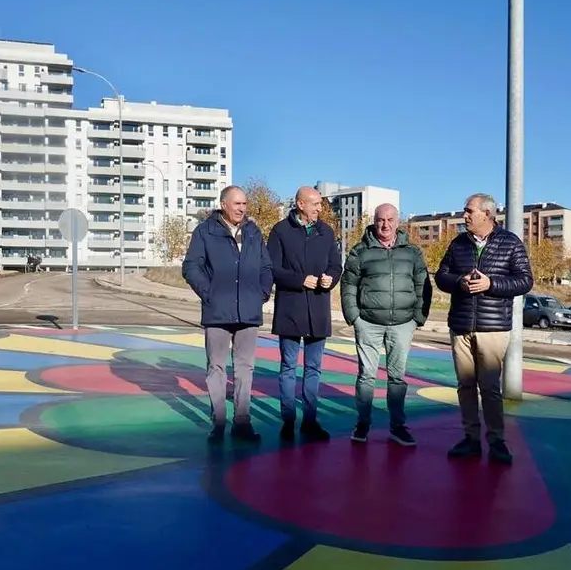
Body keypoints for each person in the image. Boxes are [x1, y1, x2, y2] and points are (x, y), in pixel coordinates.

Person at [434, 192, 534, 463]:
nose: (464, 215)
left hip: (493, 328)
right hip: (461, 324)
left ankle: (497, 441)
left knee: (489, 387)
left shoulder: (510, 243)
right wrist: (459, 283)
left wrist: (492, 284)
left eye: (469, 211)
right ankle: (471, 438)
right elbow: (442, 276)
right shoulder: (458, 244)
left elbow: (525, 281)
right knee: (465, 385)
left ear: (487, 214)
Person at [182, 185, 274, 443]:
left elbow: (266, 266)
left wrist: (262, 293)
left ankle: (242, 422)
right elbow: (191, 266)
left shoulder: (254, 232)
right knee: (216, 367)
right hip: (217, 310)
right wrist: (208, 292)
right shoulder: (205, 231)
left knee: (245, 368)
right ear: (223, 204)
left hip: (248, 310)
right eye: (237, 204)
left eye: (244, 204)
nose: (242, 208)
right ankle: (219, 422)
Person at [340, 202, 429, 446]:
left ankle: (398, 427)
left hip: (403, 324)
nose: (385, 224)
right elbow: (348, 285)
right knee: (366, 376)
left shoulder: (412, 252)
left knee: (397, 378)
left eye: (390, 220)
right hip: (368, 323)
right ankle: (363, 424)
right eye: (381, 219)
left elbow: (423, 284)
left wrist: (418, 318)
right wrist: (354, 317)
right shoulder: (360, 251)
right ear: (374, 220)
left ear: (398, 222)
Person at [266, 185, 342, 441]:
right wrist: (300, 280)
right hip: (290, 309)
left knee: (314, 368)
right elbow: (272, 268)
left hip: (318, 310)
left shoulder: (327, 232)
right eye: (315, 204)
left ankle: (310, 422)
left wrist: (329, 279)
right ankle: (288, 421)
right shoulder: (280, 231)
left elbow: (336, 265)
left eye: (320, 204)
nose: (320, 208)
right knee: (288, 367)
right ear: (300, 204)